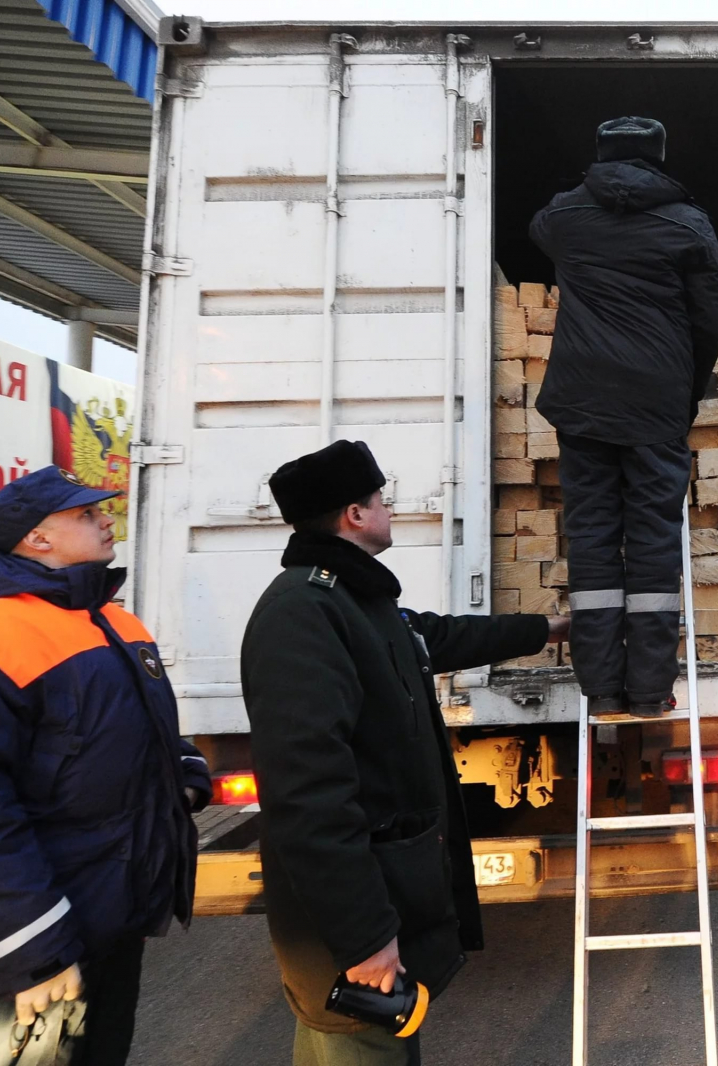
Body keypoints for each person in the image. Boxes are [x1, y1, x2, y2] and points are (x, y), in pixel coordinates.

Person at [241, 440, 568, 1065]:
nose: (390, 507)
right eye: (380, 498)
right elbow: (308, 797)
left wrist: (549, 629)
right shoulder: (302, 613)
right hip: (347, 942)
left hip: (385, 901)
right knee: (359, 1047)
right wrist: (364, 938)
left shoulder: (356, 601)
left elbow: (439, 635)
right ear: (355, 515)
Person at [0, 465, 211, 1065]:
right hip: (41, 946)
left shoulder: (114, 622)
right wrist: (35, 951)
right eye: (86, 514)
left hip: (112, 919)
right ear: (37, 539)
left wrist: (185, 778)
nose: (105, 520)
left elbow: (140, 735)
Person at [529, 115, 718, 716]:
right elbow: (708, 320)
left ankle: (601, 687)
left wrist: (586, 190)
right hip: (656, 406)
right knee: (652, 541)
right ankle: (647, 689)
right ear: (660, 157)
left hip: (582, 401)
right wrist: (684, 393)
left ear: (600, 152)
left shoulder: (564, 219)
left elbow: (538, 227)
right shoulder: (689, 225)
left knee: (591, 538)